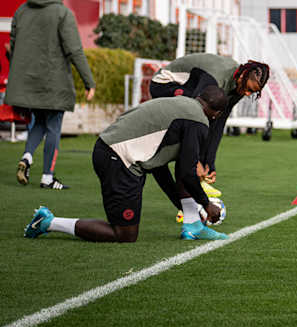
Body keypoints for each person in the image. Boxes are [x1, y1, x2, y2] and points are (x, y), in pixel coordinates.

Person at [23, 86, 230, 243]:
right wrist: (206, 204)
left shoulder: (182, 104)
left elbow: (159, 167)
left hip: (110, 151)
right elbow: (186, 173)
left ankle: (194, 225)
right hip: (118, 158)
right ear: (217, 114)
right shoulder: (199, 121)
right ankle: (48, 222)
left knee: (182, 172)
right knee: (124, 234)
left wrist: (187, 209)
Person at [8, 0, 95, 190]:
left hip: (29, 81)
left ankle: (27, 156)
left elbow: (13, 45)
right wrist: (89, 82)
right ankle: (47, 177)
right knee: (54, 126)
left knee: (38, 122)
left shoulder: (22, 10)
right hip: (54, 82)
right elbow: (75, 50)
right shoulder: (63, 13)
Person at [149, 53, 270, 199]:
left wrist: (209, 162)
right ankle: (187, 199)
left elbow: (219, 122)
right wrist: (196, 161)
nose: (247, 93)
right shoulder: (215, 79)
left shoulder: (239, 85)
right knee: (191, 132)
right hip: (164, 84)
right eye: (248, 89)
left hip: (191, 91)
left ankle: (194, 188)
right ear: (243, 75)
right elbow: (194, 117)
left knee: (209, 119)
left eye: (252, 92)